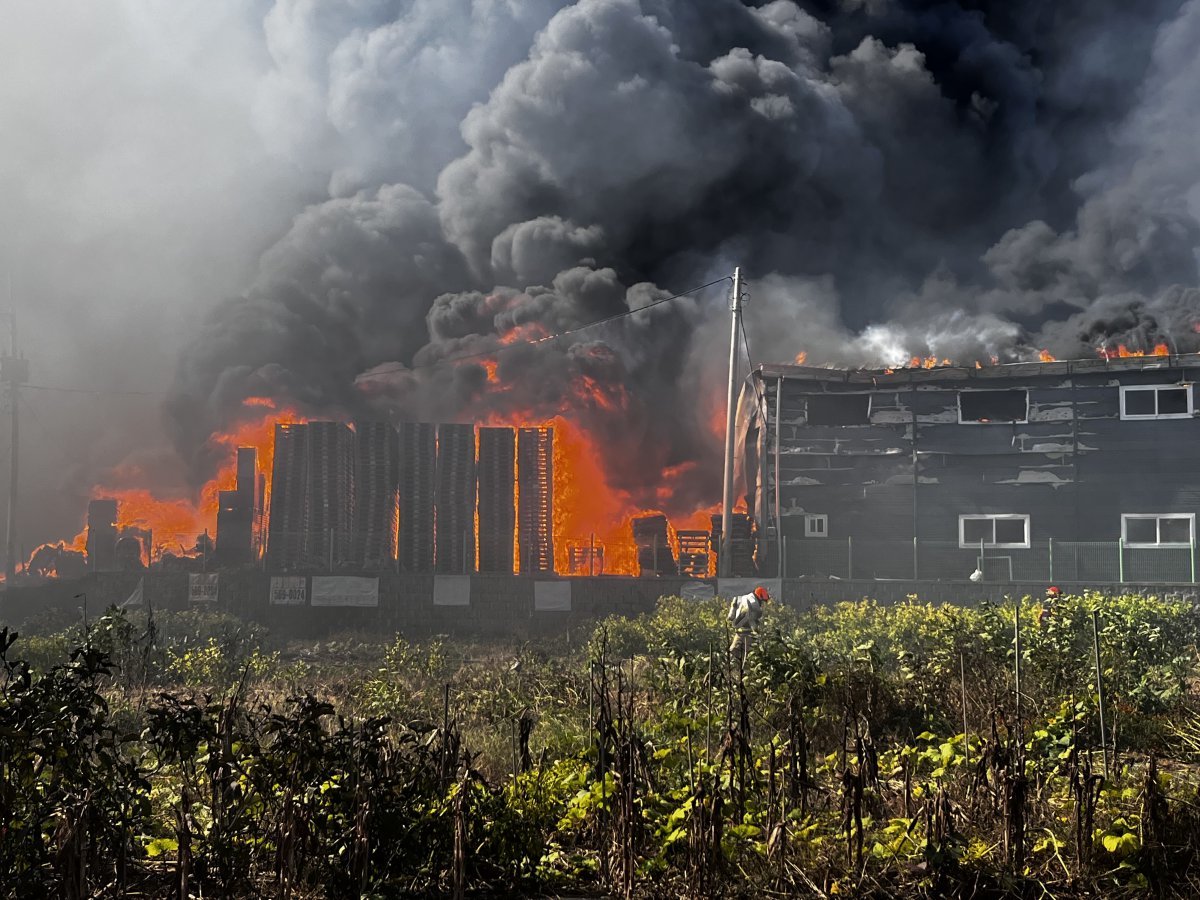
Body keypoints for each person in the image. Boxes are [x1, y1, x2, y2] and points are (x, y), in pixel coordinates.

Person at [728, 585, 772, 666]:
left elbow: (730, 617)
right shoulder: (755, 605)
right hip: (748, 634)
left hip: (738, 632)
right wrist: (758, 632)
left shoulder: (739, 598)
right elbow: (753, 622)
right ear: (760, 598)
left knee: (733, 653)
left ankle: (729, 671)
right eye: (762, 601)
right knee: (747, 658)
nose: (762, 604)